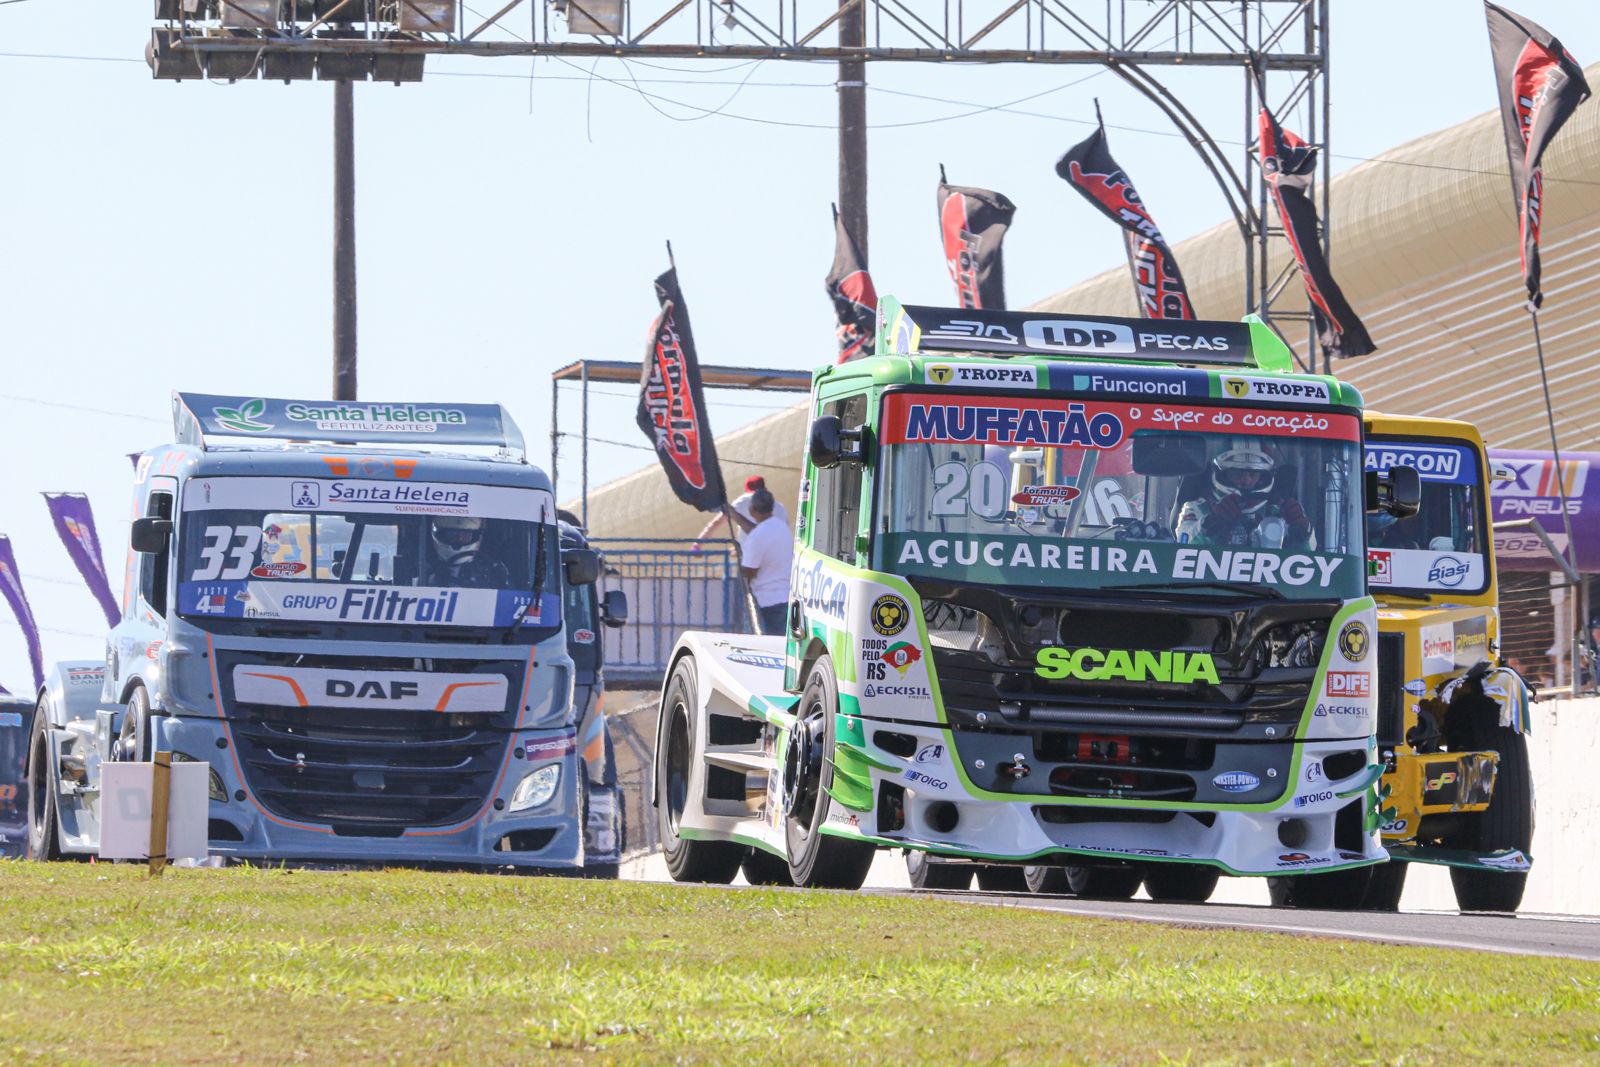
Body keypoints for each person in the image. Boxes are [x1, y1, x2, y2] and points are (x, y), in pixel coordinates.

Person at [1175, 440, 1313, 550]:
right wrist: (1211, 523)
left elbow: (1314, 556)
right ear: (1223, 475)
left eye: (1253, 474)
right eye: (1238, 473)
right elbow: (1182, 544)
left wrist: (1301, 532)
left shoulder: (1282, 512)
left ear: (1264, 477)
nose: (1246, 481)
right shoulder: (1197, 508)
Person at [737, 489, 793, 635]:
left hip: (768, 601)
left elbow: (750, 571)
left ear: (752, 509)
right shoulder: (781, 528)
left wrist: (740, 563)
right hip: (787, 596)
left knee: (771, 645)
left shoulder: (757, 537)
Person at [695, 475, 790, 544]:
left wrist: (697, 545)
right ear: (765, 487)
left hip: (752, 559)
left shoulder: (741, 502)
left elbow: (716, 523)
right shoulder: (780, 507)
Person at [427, 515, 508, 588]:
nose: (458, 540)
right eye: (451, 535)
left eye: (465, 536)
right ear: (439, 536)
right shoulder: (422, 567)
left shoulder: (492, 571)